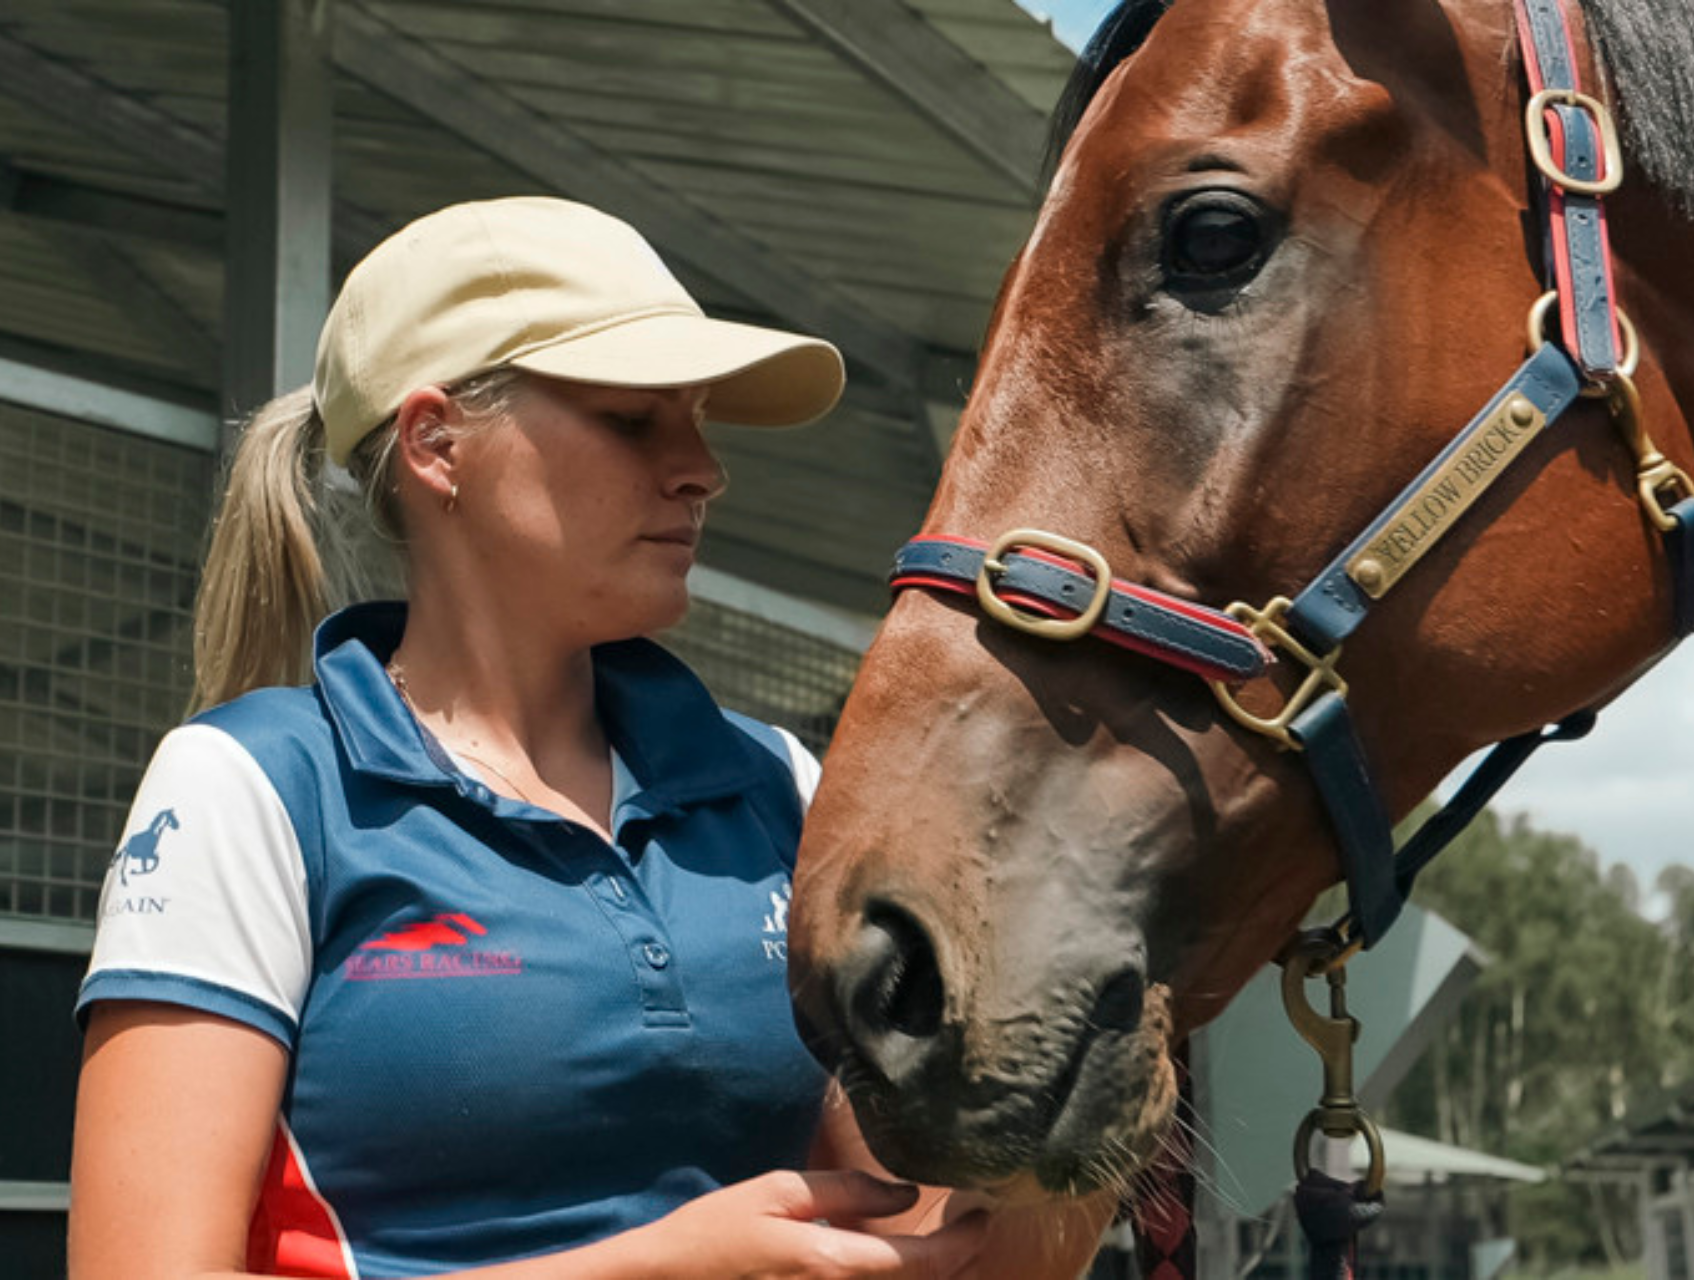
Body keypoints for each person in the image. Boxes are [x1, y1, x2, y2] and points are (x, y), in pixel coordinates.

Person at [68, 197, 1111, 1279]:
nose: (703, 467)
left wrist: (1126, 1019)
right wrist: (653, 1267)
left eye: (699, 420)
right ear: (436, 443)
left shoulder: (776, 785)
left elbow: (952, 1254)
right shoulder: (255, 785)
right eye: (634, 418)